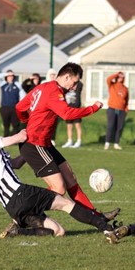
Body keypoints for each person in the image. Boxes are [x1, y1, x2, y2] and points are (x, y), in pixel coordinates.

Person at [0, 118, 116, 237]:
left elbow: (15, 164)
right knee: (66, 204)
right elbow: (22, 136)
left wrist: (29, 155)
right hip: (21, 194)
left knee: (59, 232)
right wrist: (35, 129)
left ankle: (19, 231)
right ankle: (105, 226)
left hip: (11, 207)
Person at [15, 62, 120, 221]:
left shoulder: (43, 87)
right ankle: (22, 216)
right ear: (66, 76)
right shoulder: (53, 91)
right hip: (35, 144)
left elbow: (20, 107)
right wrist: (93, 108)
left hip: (44, 143)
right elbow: (67, 114)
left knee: (70, 178)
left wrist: (26, 121)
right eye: (75, 82)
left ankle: (97, 217)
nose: (75, 86)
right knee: (58, 188)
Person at [0, 70, 26, 137]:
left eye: (12, 76)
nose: (10, 77)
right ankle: (6, 137)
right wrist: (6, 73)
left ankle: (15, 139)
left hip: (14, 107)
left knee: (15, 124)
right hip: (5, 107)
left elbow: (23, 95)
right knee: (6, 124)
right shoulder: (3, 84)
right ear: (6, 77)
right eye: (9, 76)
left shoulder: (17, 84)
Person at [105, 71, 129, 150]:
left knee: (119, 127)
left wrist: (126, 108)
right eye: (119, 77)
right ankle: (107, 143)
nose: (120, 79)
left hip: (121, 110)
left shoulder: (125, 89)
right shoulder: (112, 85)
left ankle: (116, 143)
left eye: (122, 77)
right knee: (110, 126)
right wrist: (117, 74)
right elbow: (108, 79)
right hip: (112, 108)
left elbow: (127, 100)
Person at [61, 80, 84, 148]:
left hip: (76, 109)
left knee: (77, 125)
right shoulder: (66, 86)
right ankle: (69, 140)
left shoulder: (78, 84)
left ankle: (79, 141)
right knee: (69, 126)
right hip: (68, 109)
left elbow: (80, 85)